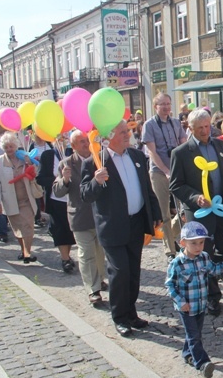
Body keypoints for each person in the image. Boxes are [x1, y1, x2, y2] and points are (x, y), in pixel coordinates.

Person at [81, 120, 162, 337]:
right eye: (123, 132)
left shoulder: (136, 156)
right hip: (113, 227)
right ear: (109, 136)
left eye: (128, 131)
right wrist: (96, 182)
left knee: (133, 271)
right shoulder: (95, 162)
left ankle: (132, 313)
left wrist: (155, 213)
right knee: (119, 272)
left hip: (135, 223)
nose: (128, 135)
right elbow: (85, 195)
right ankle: (119, 317)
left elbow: (146, 187)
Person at [170, 109, 223, 316]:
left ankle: (214, 280)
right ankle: (213, 297)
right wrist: (195, 197)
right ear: (190, 128)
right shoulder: (180, 153)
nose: (206, 131)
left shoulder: (219, 145)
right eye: (200, 128)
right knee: (203, 253)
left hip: (221, 207)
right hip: (199, 212)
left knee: (222, 248)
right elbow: (176, 185)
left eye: (208, 127)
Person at [165, 221, 223, 377]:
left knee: (195, 334)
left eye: (201, 242)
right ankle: (202, 363)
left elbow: (214, 270)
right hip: (186, 307)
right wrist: (181, 302)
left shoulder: (204, 258)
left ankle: (187, 354)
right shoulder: (177, 264)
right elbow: (170, 285)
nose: (198, 246)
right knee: (194, 336)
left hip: (200, 305)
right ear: (183, 243)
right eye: (193, 243)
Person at [52, 130, 108, 304]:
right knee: (86, 254)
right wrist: (65, 180)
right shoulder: (66, 163)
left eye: (86, 140)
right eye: (81, 142)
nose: (86, 144)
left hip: (101, 215)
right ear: (73, 146)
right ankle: (93, 290)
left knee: (100, 253)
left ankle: (98, 279)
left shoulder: (100, 159)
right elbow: (57, 191)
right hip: (80, 217)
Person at [143, 92, 186, 262]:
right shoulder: (150, 125)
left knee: (184, 209)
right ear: (156, 107)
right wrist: (165, 171)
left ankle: (173, 236)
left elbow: (184, 145)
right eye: (163, 104)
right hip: (159, 172)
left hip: (176, 171)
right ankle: (169, 250)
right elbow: (152, 152)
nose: (167, 107)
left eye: (168, 103)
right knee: (164, 213)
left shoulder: (176, 123)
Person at [0, 133, 39, 263]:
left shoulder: (24, 157)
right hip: (10, 200)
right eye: (6, 147)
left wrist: (30, 164)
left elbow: (35, 173)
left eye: (11, 146)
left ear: (16, 145)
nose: (9, 149)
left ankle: (28, 252)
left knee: (28, 226)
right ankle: (23, 250)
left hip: (26, 198)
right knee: (18, 228)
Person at [36, 144, 76, 273]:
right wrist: (59, 180)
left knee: (70, 231)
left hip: (74, 200)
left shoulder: (74, 153)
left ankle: (67, 256)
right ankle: (65, 259)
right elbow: (40, 178)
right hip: (56, 200)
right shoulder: (48, 155)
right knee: (59, 230)